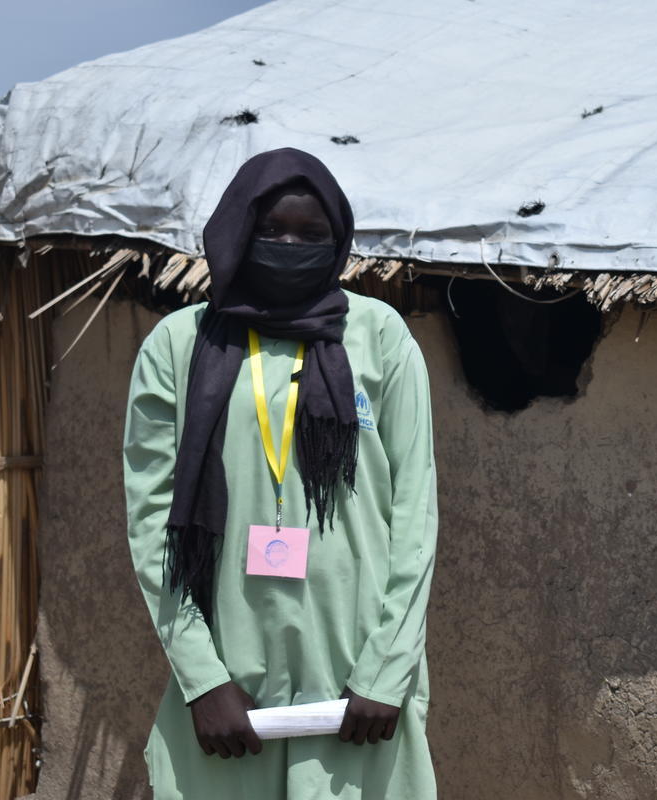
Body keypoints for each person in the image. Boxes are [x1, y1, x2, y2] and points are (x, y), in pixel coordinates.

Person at [123, 147, 438, 799]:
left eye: (311, 234)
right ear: (237, 229)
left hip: (359, 679)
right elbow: (152, 526)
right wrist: (201, 677)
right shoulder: (181, 345)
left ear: (338, 242)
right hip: (226, 682)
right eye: (271, 230)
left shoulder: (379, 337)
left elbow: (415, 513)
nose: (289, 245)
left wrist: (385, 670)